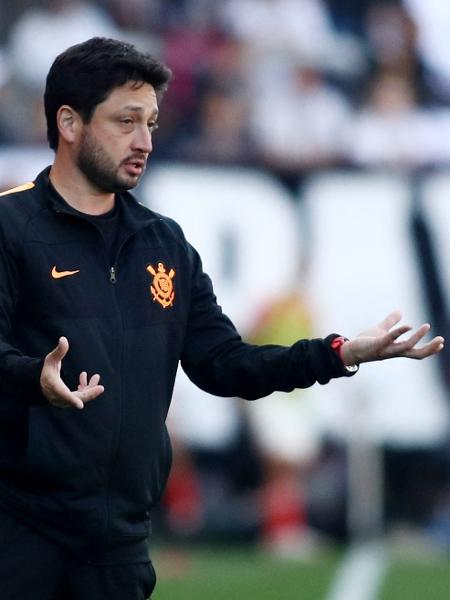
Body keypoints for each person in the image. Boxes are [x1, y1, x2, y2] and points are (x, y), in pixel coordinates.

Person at [0, 37, 444, 600]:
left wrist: (338, 354)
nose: (144, 142)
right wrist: (29, 377)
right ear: (69, 122)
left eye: (153, 124)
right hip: (18, 534)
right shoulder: (11, 226)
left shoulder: (164, 243)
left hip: (119, 547)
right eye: (126, 121)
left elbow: (224, 364)